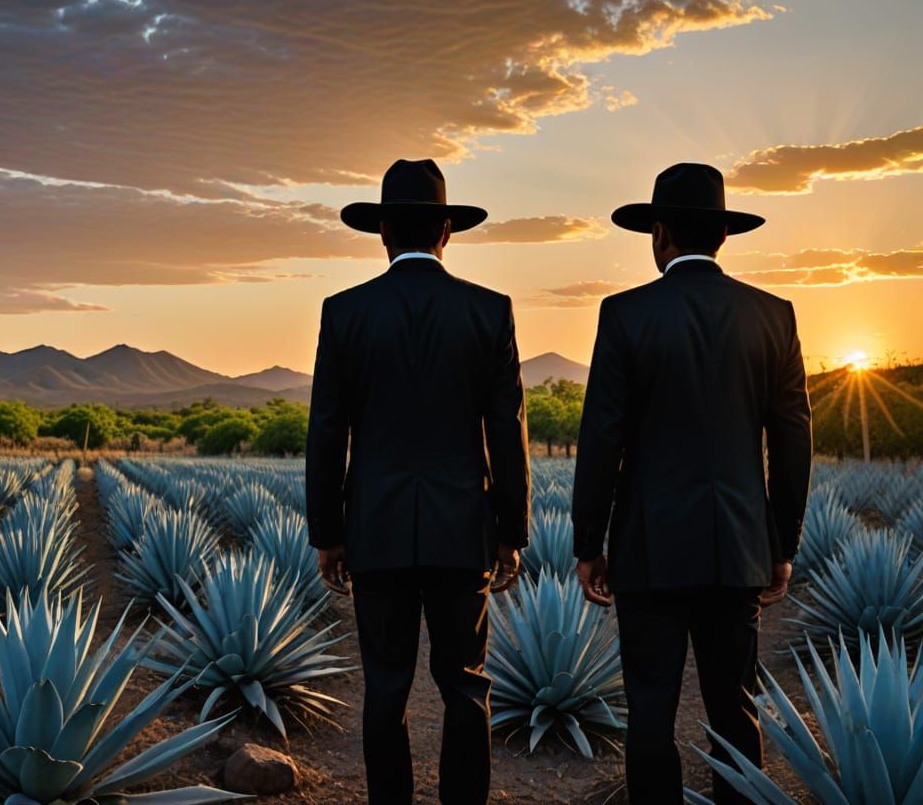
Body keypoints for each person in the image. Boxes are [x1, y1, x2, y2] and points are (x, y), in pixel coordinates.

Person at [572, 162, 812, 805]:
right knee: (735, 706)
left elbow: (601, 439)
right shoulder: (773, 315)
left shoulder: (624, 315)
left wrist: (589, 543)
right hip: (737, 545)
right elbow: (793, 441)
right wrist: (781, 545)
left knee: (650, 706)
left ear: (658, 233)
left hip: (649, 548)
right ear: (723, 236)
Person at [305, 158, 531, 805]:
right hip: (463, 530)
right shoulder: (488, 311)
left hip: (374, 529)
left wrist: (328, 533)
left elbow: (327, 432)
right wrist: (511, 531)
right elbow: (505, 431)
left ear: (381, 233)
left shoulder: (345, 313)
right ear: (447, 233)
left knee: (385, 686)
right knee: (466, 684)